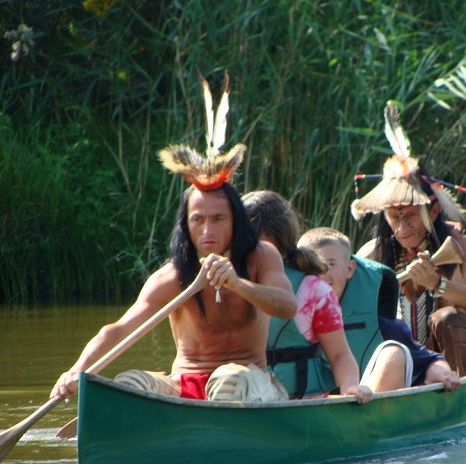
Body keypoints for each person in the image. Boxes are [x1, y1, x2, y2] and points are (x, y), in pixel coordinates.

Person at [50, 73, 298, 402]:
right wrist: (77, 370)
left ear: (236, 222)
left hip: (249, 381)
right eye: (198, 220)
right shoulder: (172, 277)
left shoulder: (261, 257)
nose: (207, 231)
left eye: (218, 219)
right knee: (128, 383)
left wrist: (237, 284)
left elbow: (287, 306)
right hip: (185, 384)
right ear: (186, 225)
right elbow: (120, 328)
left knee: (229, 380)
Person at [352, 102, 466, 376]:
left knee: (445, 318)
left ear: (433, 211)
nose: (402, 227)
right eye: (393, 217)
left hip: (459, 362)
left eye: (410, 215)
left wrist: (436, 283)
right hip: (407, 363)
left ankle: (459, 388)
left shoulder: (461, 239)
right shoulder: (372, 253)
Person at [242, 190, 372, 403]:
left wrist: (350, 387)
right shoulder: (227, 282)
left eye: (260, 245)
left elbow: (340, 355)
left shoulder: (314, 291)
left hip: (302, 402)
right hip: (243, 398)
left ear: (279, 242)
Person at [299, 227, 461, 392]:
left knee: (394, 353)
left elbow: (430, 360)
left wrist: (438, 372)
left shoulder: (378, 323)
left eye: (329, 264)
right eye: (311, 266)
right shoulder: (286, 316)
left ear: (350, 269)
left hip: (360, 403)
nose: (320, 273)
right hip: (302, 402)